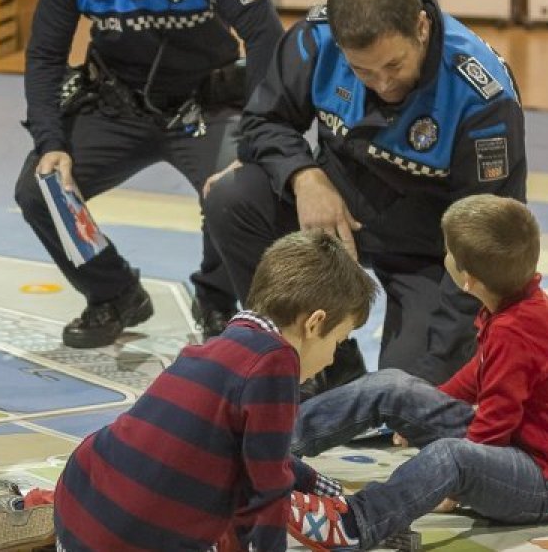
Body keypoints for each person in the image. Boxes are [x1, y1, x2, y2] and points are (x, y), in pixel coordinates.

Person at [203, 0, 526, 397]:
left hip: (429, 252)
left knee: (403, 395)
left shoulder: (481, 98)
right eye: (364, 71)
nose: (384, 83)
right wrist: (304, 176)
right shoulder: (315, 41)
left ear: (421, 28)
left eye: (394, 65)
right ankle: (310, 359)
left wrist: (435, 371)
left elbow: (484, 240)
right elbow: (263, 121)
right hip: (336, 216)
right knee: (233, 196)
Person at [14, 0, 285, 348]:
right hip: (117, 109)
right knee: (40, 190)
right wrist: (50, 141)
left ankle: (218, 298)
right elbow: (43, 57)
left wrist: (257, 130)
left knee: (237, 191)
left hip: (205, 107)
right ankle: (114, 292)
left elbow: (264, 34)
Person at [286, 195, 548, 550]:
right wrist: (420, 410)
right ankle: (278, 442)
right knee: (393, 386)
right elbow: (480, 375)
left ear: (468, 280)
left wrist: (458, 482)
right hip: (514, 448)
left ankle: (359, 522)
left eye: (447, 251)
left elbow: (495, 423)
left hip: (547, 483)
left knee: (451, 456)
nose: (443, 254)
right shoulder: (514, 301)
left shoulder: (517, 328)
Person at [50, 230, 378, 551]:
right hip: (134, 539)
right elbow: (266, 495)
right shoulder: (277, 362)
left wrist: (322, 487)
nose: (334, 356)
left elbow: (263, 457)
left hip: (78, 506)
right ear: (314, 323)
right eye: (338, 341)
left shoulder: (228, 342)